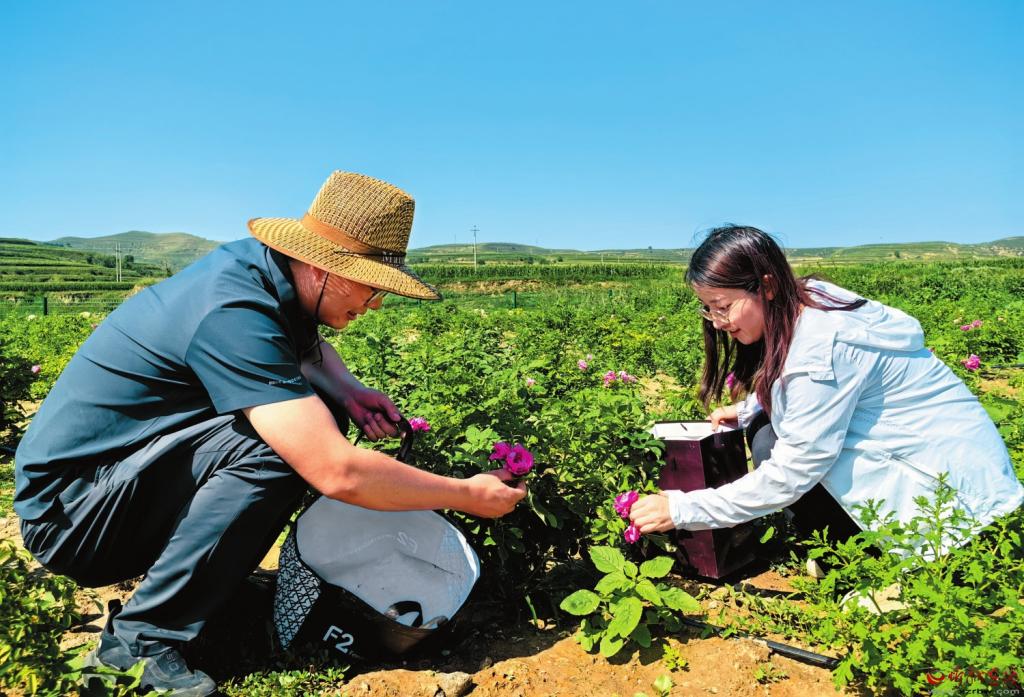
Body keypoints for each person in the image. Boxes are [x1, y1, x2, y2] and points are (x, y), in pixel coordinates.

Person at [14, 171, 527, 697]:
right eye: (372, 286)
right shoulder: (232, 309)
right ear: (322, 267)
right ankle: (137, 644)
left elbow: (304, 348)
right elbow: (336, 471)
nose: (376, 304)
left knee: (318, 414)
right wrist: (464, 494)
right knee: (282, 449)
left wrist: (349, 390)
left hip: (112, 485)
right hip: (74, 516)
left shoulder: (263, 272)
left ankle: (201, 590)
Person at [628, 225, 1023, 552]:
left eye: (723, 306)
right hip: (954, 469)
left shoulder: (821, 352)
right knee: (765, 431)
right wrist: (751, 407)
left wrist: (681, 510)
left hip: (954, 510)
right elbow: (813, 389)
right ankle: (852, 545)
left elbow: (793, 471)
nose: (717, 321)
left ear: (766, 286)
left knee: (775, 448)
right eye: (708, 308)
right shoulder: (809, 298)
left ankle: (869, 567)